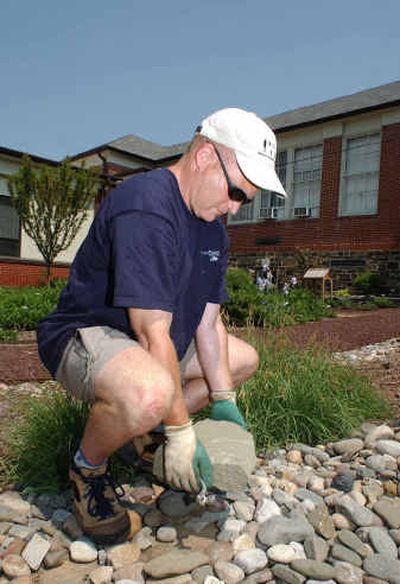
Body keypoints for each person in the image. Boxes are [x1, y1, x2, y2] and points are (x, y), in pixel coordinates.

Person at [37, 107, 287, 545]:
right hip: (85, 335)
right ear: (206, 157)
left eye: (244, 200)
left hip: (148, 342)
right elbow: (153, 331)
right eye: (235, 192)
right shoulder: (147, 206)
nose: (234, 207)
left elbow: (209, 323)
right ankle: (88, 468)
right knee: (151, 392)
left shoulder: (213, 230)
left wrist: (224, 398)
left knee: (241, 360)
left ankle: (143, 438)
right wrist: (181, 430)